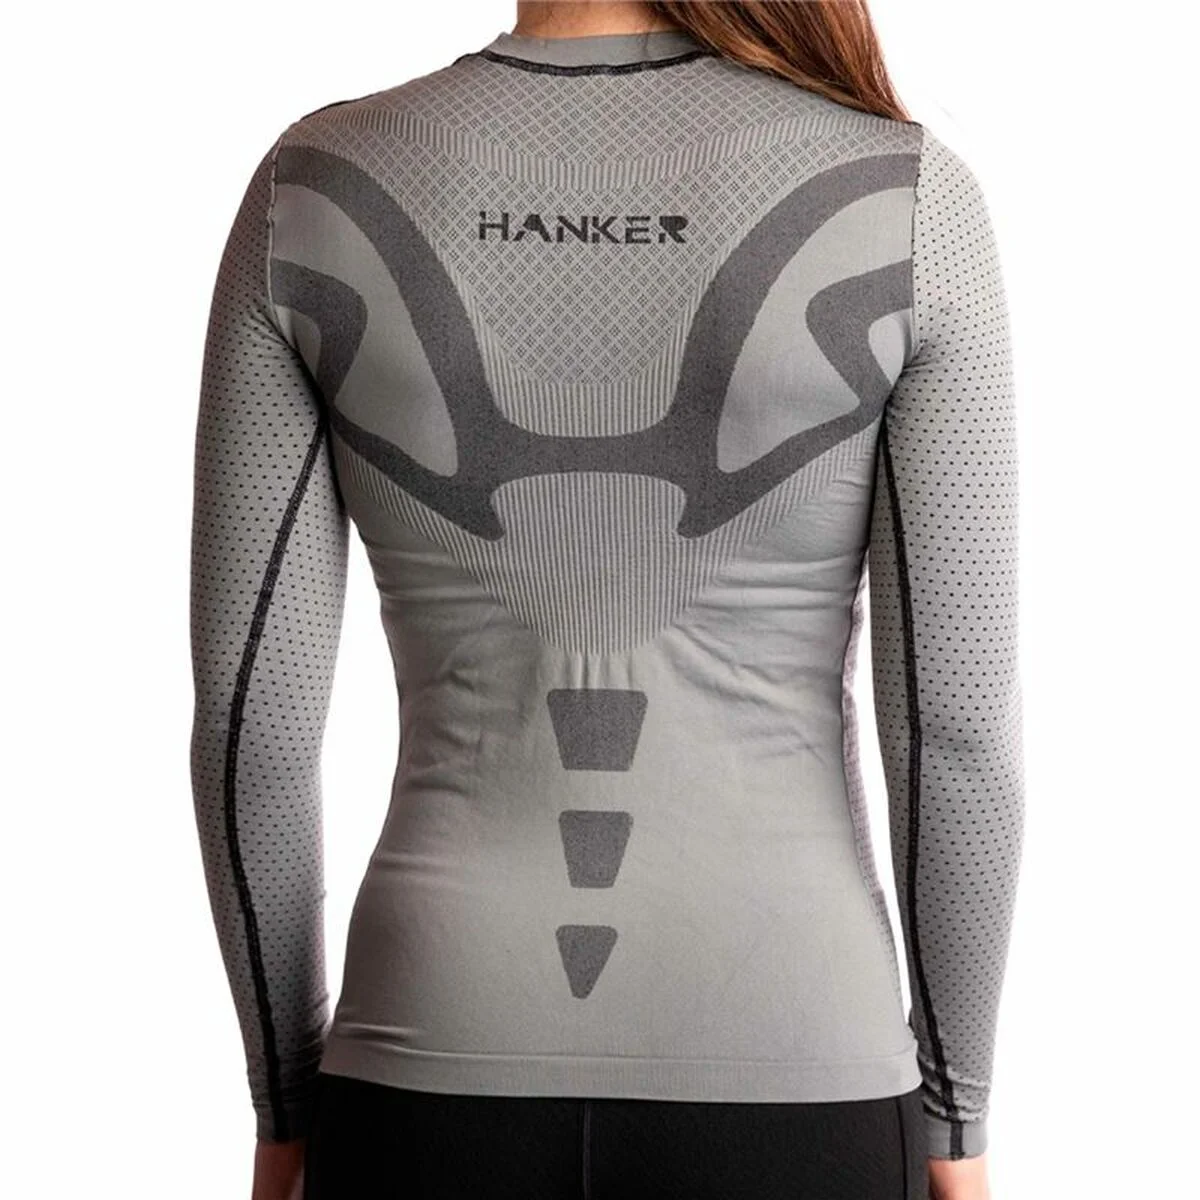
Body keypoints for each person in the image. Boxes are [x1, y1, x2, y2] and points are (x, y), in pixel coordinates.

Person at [188, 1, 1025, 1197]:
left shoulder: (316, 186)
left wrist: (283, 1106)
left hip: (427, 1060)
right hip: (799, 1063)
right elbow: (957, 734)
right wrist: (955, 1118)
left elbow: (249, 728)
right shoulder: (905, 197)